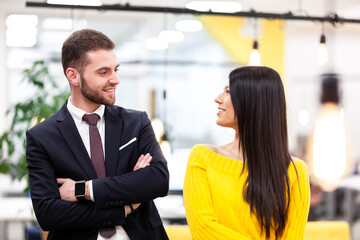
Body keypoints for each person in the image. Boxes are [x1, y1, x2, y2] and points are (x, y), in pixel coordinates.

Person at [26, 29, 169, 240]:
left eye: (116, 70)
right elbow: (49, 214)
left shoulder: (135, 122)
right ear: (73, 76)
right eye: (104, 72)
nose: (115, 79)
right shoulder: (42, 137)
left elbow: (158, 180)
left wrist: (85, 189)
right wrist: (124, 208)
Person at [183, 66, 310, 240]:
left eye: (228, 91)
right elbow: (203, 229)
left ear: (252, 101)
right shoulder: (202, 158)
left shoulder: (295, 171)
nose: (217, 99)